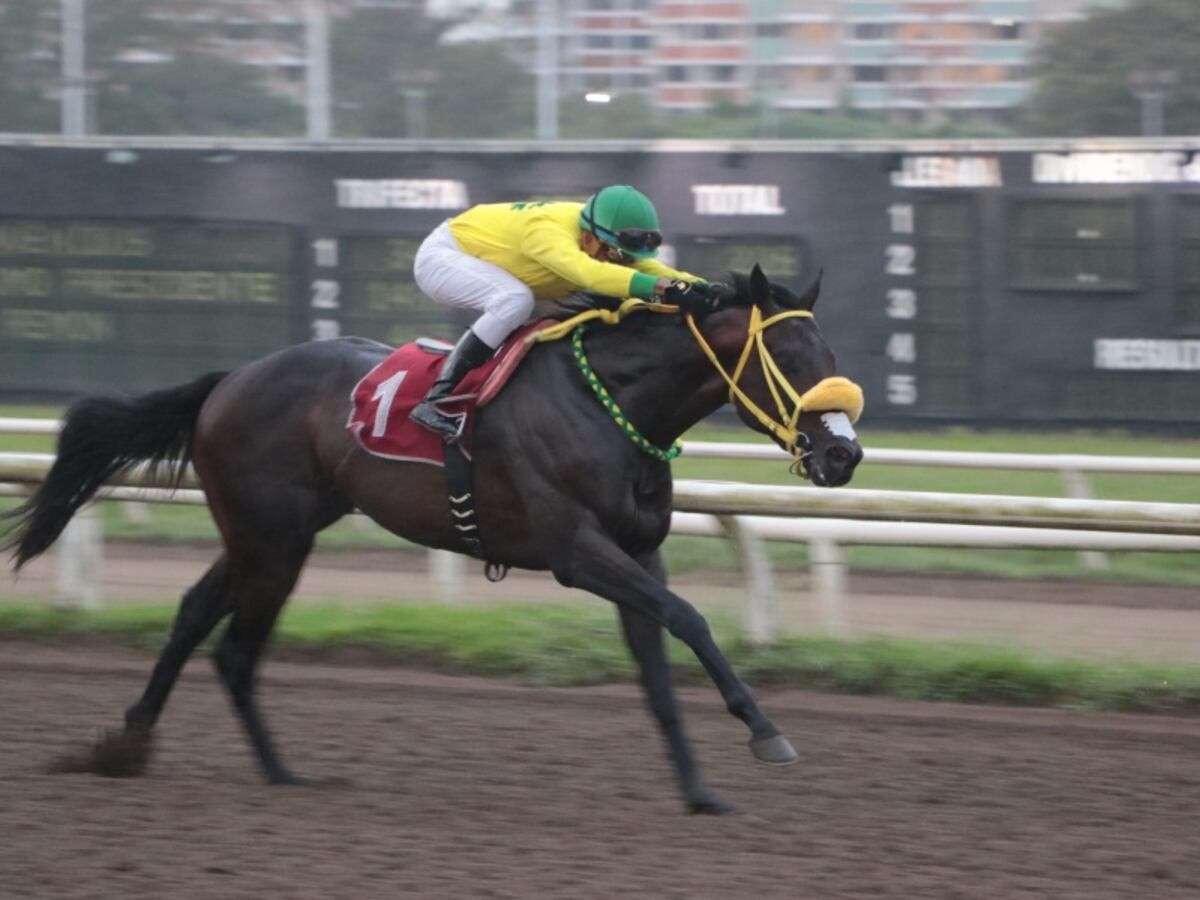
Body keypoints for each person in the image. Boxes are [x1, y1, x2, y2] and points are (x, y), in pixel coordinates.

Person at [409, 184, 731, 441]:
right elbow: (588, 274)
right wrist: (662, 288)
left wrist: (703, 287)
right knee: (515, 299)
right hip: (442, 258)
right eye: (616, 254)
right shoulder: (546, 233)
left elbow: (650, 269)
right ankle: (436, 398)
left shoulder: (599, 232)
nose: (619, 263)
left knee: (521, 303)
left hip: (485, 258)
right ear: (589, 237)